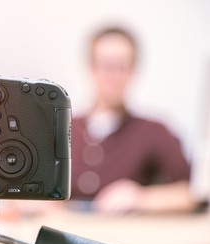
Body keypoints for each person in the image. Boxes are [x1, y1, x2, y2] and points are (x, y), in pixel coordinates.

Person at [71, 27, 198, 214]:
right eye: (105, 64)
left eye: (122, 65)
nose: (112, 75)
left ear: (133, 70)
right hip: (63, 235)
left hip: (127, 237)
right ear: (91, 67)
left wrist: (140, 198)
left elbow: (189, 194)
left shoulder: (154, 131)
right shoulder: (63, 128)